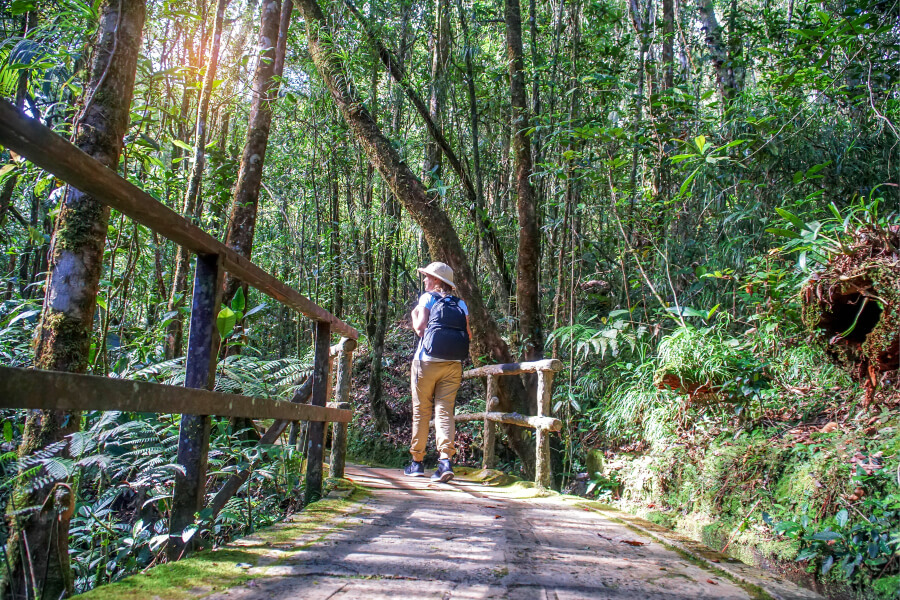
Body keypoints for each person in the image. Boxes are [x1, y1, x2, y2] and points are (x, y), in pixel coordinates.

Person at [404, 261, 472, 482]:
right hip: (453, 364)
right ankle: (445, 461)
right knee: (444, 411)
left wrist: (414, 316)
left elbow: (420, 328)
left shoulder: (428, 298)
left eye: (427, 276)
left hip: (426, 362)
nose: (424, 279)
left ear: (436, 281)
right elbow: (468, 336)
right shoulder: (461, 304)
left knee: (422, 410)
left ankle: (417, 463)